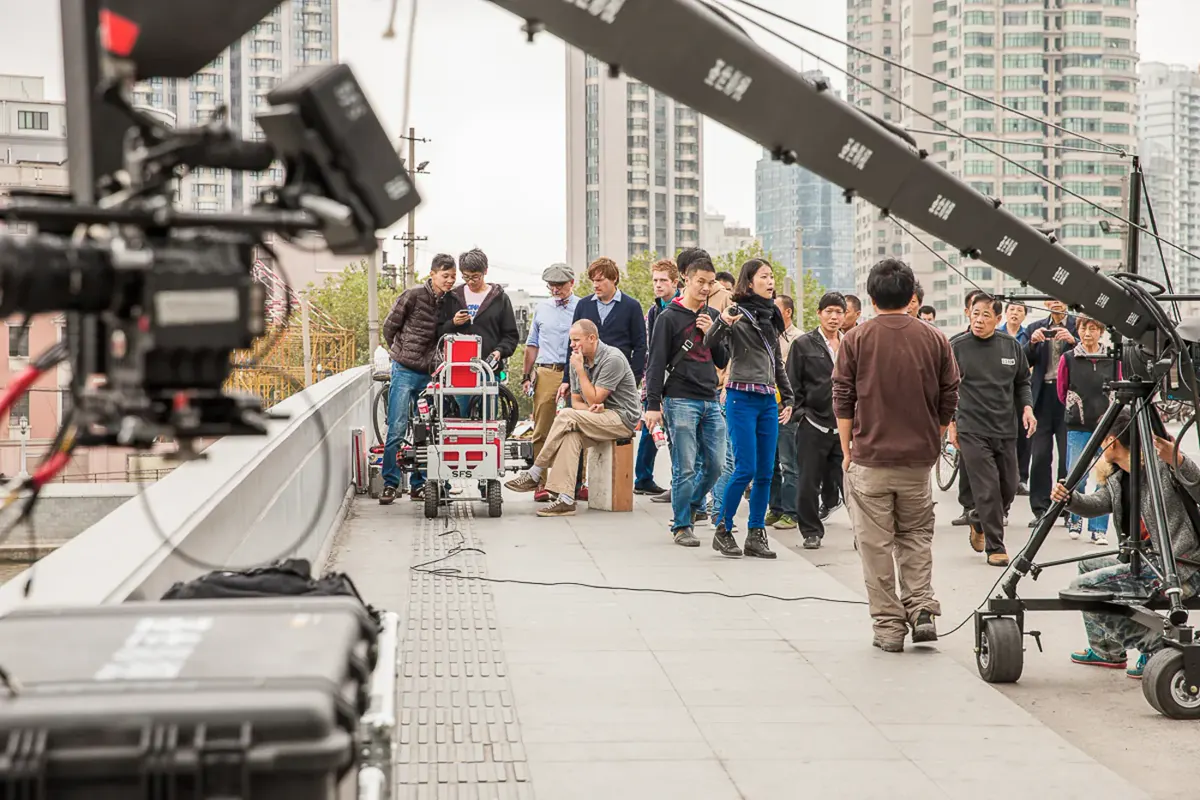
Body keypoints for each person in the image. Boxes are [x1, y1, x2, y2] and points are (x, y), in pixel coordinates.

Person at [834, 258, 959, 652]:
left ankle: (889, 627)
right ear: (911, 297)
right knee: (916, 536)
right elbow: (949, 395)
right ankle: (921, 607)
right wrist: (934, 437)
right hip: (917, 462)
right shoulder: (935, 338)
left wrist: (846, 450)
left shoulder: (856, 338)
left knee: (874, 545)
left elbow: (842, 397)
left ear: (871, 298)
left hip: (869, 459)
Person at [1052, 409, 1200, 678]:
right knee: (1088, 564)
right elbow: (1096, 504)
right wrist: (1069, 499)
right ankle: (1107, 649)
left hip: (1179, 568)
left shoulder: (1162, 469)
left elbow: (1198, 487)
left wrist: (1178, 460)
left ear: (1111, 441)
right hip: (1143, 565)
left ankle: (1157, 647)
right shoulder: (1119, 477)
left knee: (1083, 590)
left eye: (1100, 440)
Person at [704, 258, 794, 559]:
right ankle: (724, 529)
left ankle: (756, 534)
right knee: (745, 468)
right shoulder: (737, 313)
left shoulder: (772, 317)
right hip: (741, 398)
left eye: (772, 276)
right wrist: (722, 322)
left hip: (769, 399)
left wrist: (789, 398)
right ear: (749, 281)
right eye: (764, 277)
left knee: (767, 471)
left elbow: (776, 362)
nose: (770, 282)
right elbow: (711, 344)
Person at [507, 320, 640, 516]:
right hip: (597, 417)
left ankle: (535, 472)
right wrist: (589, 409)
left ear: (592, 338)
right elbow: (577, 402)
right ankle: (566, 499)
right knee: (571, 436)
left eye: (576, 340)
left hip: (622, 418)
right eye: (571, 340)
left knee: (567, 415)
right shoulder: (578, 359)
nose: (572, 345)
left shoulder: (612, 358)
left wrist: (579, 371)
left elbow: (595, 397)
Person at [643, 256, 729, 547]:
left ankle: (690, 505)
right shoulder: (669, 317)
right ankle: (682, 525)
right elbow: (654, 363)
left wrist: (712, 333)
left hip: (710, 397)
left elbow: (722, 359)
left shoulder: (713, 316)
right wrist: (652, 405)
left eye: (710, 283)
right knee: (686, 466)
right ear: (686, 281)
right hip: (679, 399)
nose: (706, 288)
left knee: (716, 464)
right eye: (700, 282)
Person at [948, 294, 1036, 567]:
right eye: (975, 313)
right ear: (968, 314)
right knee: (986, 487)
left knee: (1008, 487)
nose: (979, 319)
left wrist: (1027, 408)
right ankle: (995, 547)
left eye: (986, 315)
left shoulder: (1010, 346)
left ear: (998, 320)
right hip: (971, 428)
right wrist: (951, 423)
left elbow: (1022, 382)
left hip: (1005, 428)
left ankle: (978, 520)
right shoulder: (957, 346)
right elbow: (946, 388)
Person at [379, 254, 459, 505]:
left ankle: (421, 484)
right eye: (445, 276)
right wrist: (399, 353)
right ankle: (391, 483)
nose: (449, 280)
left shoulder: (451, 302)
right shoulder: (412, 296)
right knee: (397, 428)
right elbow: (389, 327)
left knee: (430, 430)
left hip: (431, 374)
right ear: (432, 274)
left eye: (453, 276)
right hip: (404, 371)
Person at [785, 292, 846, 550]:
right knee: (808, 482)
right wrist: (801, 415)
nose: (834, 317)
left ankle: (863, 533)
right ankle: (811, 531)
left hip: (844, 427)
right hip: (814, 424)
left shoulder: (851, 343)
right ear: (819, 313)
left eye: (839, 312)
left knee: (850, 483)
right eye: (829, 311)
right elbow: (791, 383)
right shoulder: (803, 344)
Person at [1058, 316, 1119, 544]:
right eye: (1083, 328)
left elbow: (1118, 385)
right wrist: (1075, 408)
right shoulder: (1069, 358)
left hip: (1105, 428)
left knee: (1104, 478)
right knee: (1076, 476)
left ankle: (1099, 529)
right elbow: (1062, 391)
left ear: (1100, 331)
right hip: (1077, 426)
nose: (1087, 332)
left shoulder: (1112, 358)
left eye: (1093, 328)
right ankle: (1075, 520)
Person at [440, 248, 520, 418]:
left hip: (489, 370)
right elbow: (439, 331)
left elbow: (511, 336)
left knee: (488, 420)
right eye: (466, 277)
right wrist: (453, 323)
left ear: (485, 272)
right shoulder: (453, 297)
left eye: (475, 277)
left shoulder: (499, 299)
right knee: (462, 420)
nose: (470, 282)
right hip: (459, 370)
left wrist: (499, 352)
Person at [521, 264, 580, 478]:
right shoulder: (542, 308)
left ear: (572, 283)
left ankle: (577, 481)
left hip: (575, 371)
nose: (555, 290)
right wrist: (526, 376)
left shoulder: (582, 307)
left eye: (560, 285)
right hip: (546, 371)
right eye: (551, 286)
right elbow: (532, 344)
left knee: (577, 427)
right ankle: (540, 481)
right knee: (542, 428)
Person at [1026, 300, 1079, 525]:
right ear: (1046, 302)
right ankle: (1040, 509)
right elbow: (1023, 361)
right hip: (1042, 398)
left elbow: (1090, 354)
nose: (1056, 302)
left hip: (1068, 397)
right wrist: (1031, 343)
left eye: (1061, 298)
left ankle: (1067, 507)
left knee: (1068, 457)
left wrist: (1073, 341)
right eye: (1052, 298)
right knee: (1039, 455)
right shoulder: (1035, 327)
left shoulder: (1078, 326)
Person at [634, 259, 680, 497]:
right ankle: (644, 478)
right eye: (655, 280)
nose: (658, 285)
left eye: (663, 280)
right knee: (652, 430)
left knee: (680, 439)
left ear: (675, 282)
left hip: (682, 381)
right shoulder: (653, 311)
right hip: (655, 378)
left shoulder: (684, 306)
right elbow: (650, 350)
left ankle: (681, 487)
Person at [767, 294, 804, 530]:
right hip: (767, 405)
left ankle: (792, 511)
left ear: (787, 312)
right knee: (771, 463)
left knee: (789, 463)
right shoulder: (766, 334)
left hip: (788, 408)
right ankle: (776, 508)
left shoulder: (799, 340)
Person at [1004, 302, 1032, 494]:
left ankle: (1021, 478)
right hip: (1002, 391)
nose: (1015, 313)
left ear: (1024, 316)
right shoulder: (997, 333)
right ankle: (1007, 477)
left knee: (1024, 436)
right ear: (1004, 313)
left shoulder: (1028, 335)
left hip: (1021, 390)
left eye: (1019, 310)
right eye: (1012, 309)